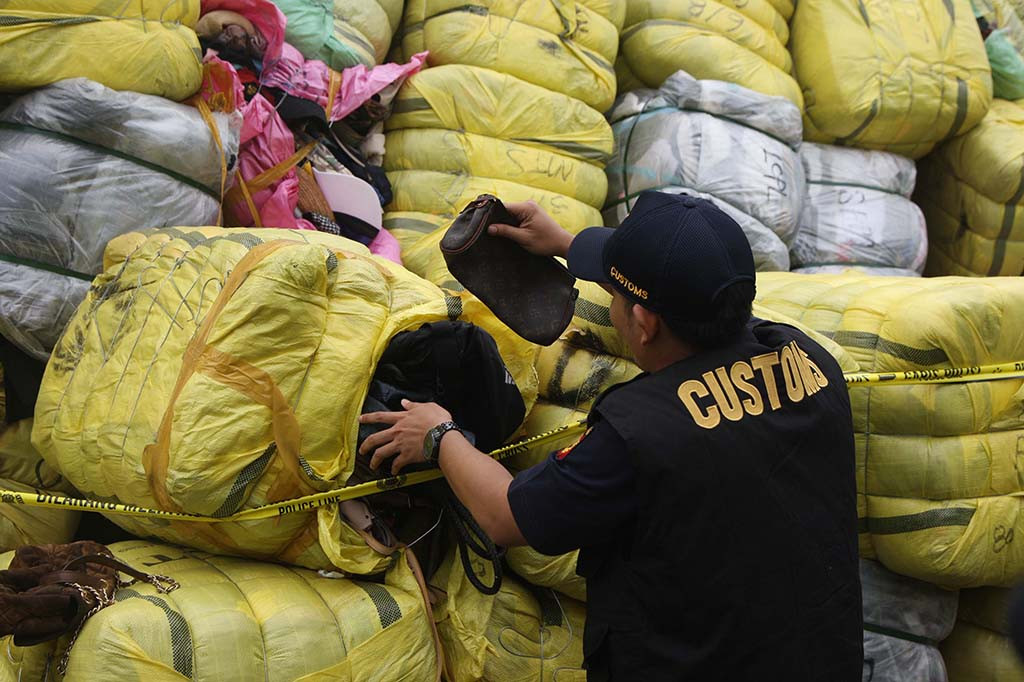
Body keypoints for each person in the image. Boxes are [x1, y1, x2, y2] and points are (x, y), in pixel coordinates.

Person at [359, 191, 863, 681]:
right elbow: (698, 298)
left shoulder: (640, 433)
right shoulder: (807, 358)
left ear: (643, 323)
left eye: (616, 295)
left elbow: (505, 516)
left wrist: (439, 433)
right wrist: (567, 244)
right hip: (821, 659)